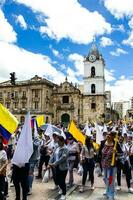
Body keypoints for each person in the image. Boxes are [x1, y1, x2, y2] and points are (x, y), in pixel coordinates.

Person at [49, 135, 68, 200]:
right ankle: (61, 189)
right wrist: (50, 162)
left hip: (63, 167)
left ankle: (64, 194)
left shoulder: (66, 149)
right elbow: (53, 155)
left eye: (59, 141)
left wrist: (54, 163)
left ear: (62, 141)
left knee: (62, 181)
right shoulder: (57, 147)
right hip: (56, 167)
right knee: (57, 180)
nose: (58, 143)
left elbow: (62, 158)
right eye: (57, 141)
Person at [101, 131, 118, 200]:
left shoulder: (116, 144)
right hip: (104, 165)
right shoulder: (103, 142)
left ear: (113, 137)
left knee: (110, 180)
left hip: (112, 166)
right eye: (107, 134)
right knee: (105, 178)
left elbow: (121, 153)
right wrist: (98, 163)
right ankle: (108, 190)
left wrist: (116, 152)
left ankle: (111, 195)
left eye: (109, 135)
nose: (107, 135)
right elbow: (100, 153)